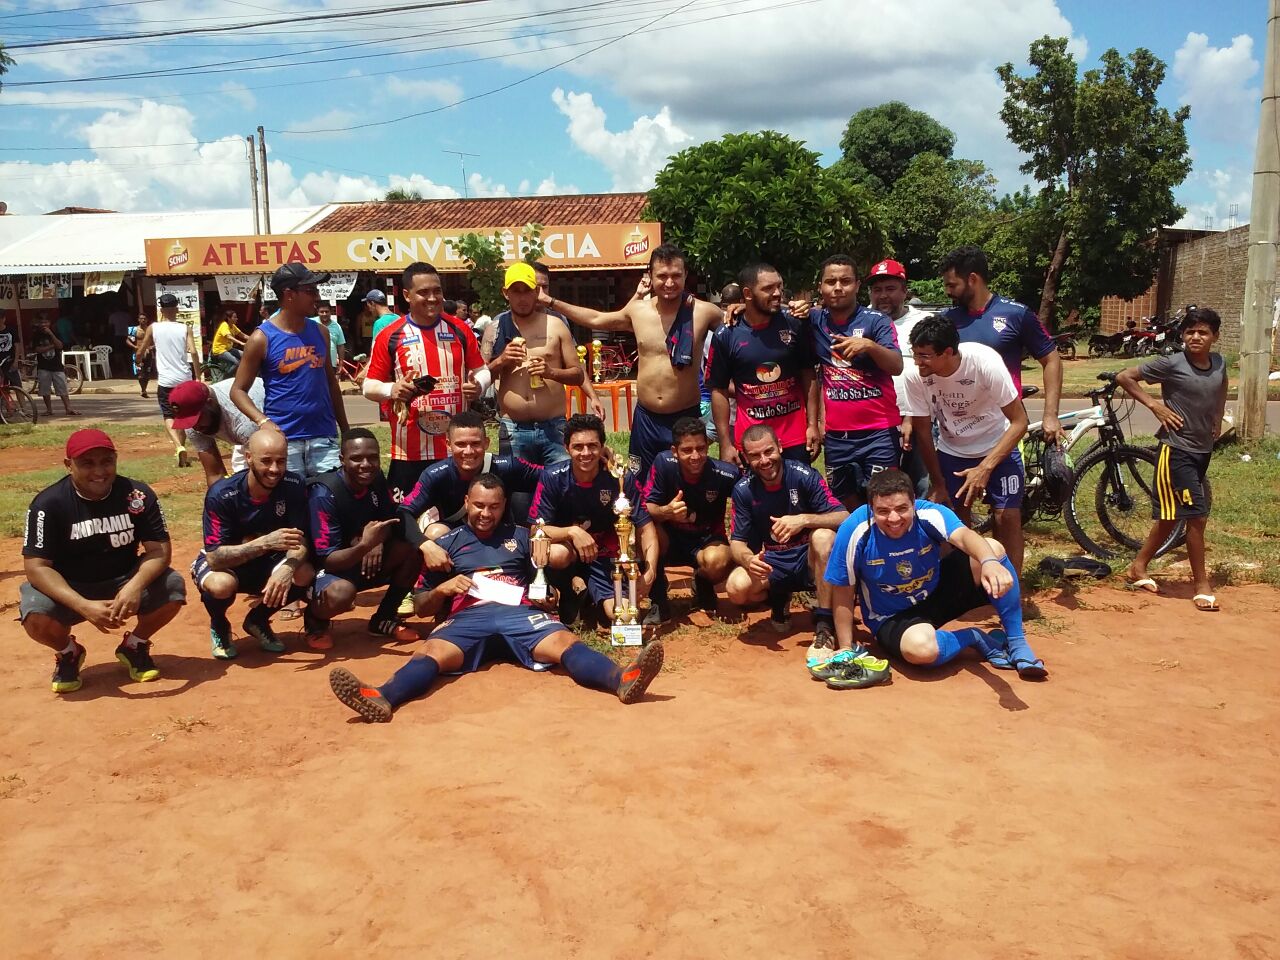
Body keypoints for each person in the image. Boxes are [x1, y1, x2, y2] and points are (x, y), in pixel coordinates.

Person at [328, 473, 665, 722]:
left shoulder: (522, 537)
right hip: (467, 618)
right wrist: (443, 589)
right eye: (478, 505)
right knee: (431, 652)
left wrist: (548, 595)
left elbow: (544, 586)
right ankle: (382, 697)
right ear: (466, 502)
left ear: (504, 506)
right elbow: (419, 606)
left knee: (564, 642)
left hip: (518, 613)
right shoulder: (446, 544)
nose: (486, 513)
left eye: (494, 506)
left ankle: (621, 679)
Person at [824, 468, 1047, 682]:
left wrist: (989, 562)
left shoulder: (929, 513)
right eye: (883, 511)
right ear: (871, 508)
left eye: (902, 508)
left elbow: (964, 536)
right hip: (891, 617)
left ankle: (1017, 643)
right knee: (922, 650)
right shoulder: (855, 529)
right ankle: (974, 637)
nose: (894, 518)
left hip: (936, 593)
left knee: (992, 549)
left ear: (914, 502)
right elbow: (843, 588)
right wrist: (846, 647)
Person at [20, 429, 186, 693]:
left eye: (106, 461)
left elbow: (159, 551)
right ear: (68, 465)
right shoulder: (48, 504)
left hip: (124, 579)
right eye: (87, 463)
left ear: (116, 460)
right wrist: (82, 605)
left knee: (172, 586)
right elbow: (36, 567)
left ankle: (135, 645)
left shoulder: (137, 495)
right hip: (71, 585)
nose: (99, 471)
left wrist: (134, 587)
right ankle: (68, 652)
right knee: (35, 613)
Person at [541, 244, 722, 482]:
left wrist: (740, 307)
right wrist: (551, 302)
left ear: (686, 275)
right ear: (650, 276)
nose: (669, 283)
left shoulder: (706, 312)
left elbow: (741, 328)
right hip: (646, 418)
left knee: (686, 481)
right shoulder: (637, 311)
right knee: (640, 484)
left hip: (685, 415)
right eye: (662, 276)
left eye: (676, 275)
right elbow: (596, 318)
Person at [899, 314, 1030, 573]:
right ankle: (965, 584)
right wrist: (938, 483)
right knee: (955, 519)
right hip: (953, 450)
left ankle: (1011, 585)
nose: (917, 362)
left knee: (1006, 516)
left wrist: (985, 467)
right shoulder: (915, 376)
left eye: (924, 356)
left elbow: (1019, 422)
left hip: (997, 445)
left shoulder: (984, 362)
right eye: (914, 354)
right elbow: (923, 431)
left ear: (948, 352)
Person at [1117, 307, 1228, 611]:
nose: (1196, 337)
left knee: (1169, 517)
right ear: (1183, 335)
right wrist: (1155, 406)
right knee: (1196, 516)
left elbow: (1222, 384)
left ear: (1215, 336)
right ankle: (1201, 585)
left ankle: (1138, 566)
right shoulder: (1172, 363)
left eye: (1203, 332)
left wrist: (1218, 415)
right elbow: (1125, 377)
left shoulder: (1219, 362)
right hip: (1176, 451)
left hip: (1202, 450)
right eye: (1190, 332)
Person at [361, 261, 484, 502]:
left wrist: (479, 384)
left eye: (437, 291)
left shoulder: (460, 329)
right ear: (407, 295)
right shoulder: (390, 334)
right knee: (408, 517)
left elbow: (482, 370)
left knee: (458, 515)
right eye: (423, 292)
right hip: (409, 451)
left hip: (456, 449)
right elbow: (368, 386)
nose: (432, 298)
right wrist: (392, 389)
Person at [191, 429, 316, 660]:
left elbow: (300, 540)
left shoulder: (293, 484)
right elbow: (215, 558)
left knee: (304, 572)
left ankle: (258, 620)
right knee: (220, 585)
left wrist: (287, 568)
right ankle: (219, 624)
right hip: (227, 563)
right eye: (266, 461)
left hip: (267, 562)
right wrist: (265, 543)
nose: (275, 469)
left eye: (281, 461)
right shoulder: (222, 494)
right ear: (248, 457)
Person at [529, 413, 658, 624]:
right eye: (578, 447)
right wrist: (572, 532)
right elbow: (536, 529)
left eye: (592, 446)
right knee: (556, 554)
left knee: (622, 615)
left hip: (605, 554)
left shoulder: (620, 478)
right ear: (566, 447)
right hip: (569, 551)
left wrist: (650, 572)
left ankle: (591, 592)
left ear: (603, 446)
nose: (586, 453)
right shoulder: (552, 476)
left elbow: (646, 527)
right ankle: (568, 591)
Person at [725, 424, 848, 643]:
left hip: (807, 559)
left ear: (780, 447)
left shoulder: (804, 475)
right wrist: (749, 560)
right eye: (755, 456)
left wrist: (803, 520)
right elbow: (737, 543)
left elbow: (844, 517)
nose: (764, 460)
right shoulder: (743, 489)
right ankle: (778, 597)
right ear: (746, 458)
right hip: (773, 561)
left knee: (823, 537)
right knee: (736, 588)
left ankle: (824, 622)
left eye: (768, 451)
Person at [306, 429, 422, 649]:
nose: (366, 465)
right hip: (329, 570)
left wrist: (377, 541)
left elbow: (391, 521)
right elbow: (327, 560)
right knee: (341, 594)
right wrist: (366, 544)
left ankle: (383, 618)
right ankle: (315, 621)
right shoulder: (324, 494)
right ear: (342, 459)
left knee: (412, 550)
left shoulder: (376, 479)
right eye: (357, 458)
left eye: (372, 457)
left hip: (363, 561)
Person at [232, 263, 349, 478]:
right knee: (291, 498)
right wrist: (263, 421)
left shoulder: (321, 332)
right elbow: (237, 391)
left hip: (324, 438)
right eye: (310, 291)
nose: (317, 296)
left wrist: (346, 430)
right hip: (285, 440)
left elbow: (331, 384)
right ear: (289, 294)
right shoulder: (261, 338)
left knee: (328, 496)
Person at [939, 246, 1063, 445]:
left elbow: (1051, 359)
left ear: (972, 279)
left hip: (1005, 429)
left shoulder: (1016, 314)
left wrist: (1050, 414)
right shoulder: (946, 320)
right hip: (959, 432)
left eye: (952, 285)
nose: (947, 291)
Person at [808, 255, 904, 508]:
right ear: (820, 287)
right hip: (837, 436)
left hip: (879, 433)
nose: (838, 287)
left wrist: (869, 346)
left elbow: (896, 365)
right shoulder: (814, 321)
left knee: (885, 501)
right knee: (843, 503)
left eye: (845, 281)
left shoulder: (877, 321)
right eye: (831, 282)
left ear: (857, 285)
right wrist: (738, 307)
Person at [707, 262, 819, 468]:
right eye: (768, 288)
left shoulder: (795, 323)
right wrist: (725, 443)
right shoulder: (727, 334)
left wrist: (813, 424)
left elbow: (808, 374)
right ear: (747, 293)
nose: (777, 293)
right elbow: (719, 390)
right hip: (751, 442)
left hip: (795, 437)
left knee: (798, 488)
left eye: (779, 286)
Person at [398, 410, 542, 554]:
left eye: (475, 444)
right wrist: (424, 544)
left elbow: (549, 478)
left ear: (486, 443)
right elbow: (404, 512)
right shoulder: (435, 475)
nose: (468, 451)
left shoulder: (507, 466)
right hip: (456, 537)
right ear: (448, 444)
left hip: (502, 537)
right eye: (460, 444)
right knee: (435, 533)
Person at [486, 262, 585, 465]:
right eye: (516, 291)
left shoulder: (556, 325)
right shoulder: (496, 328)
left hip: (554, 428)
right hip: (513, 428)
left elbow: (578, 375)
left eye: (527, 291)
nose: (522, 298)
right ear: (506, 293)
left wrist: (551, 372)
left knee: (560, 482)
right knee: (517, 486)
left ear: (536, 292)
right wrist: (501, 361)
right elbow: (479, 380)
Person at [642, 416, 738, 619]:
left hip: (706, 540)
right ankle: (658, 599)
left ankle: (703, 583)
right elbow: (646, 507)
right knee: (646, 531)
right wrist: (666, 511)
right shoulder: (663, 463)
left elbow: (750, 498)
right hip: (669, 539)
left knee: (718, 561)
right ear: (674, 451)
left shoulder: (725, 473)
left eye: (700, 448)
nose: (695, 456)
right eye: (687, 450)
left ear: (707, 447)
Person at [866, 259, 931, 491]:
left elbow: (932, 373)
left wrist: (911, 415)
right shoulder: (862, 322)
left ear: (904, 291)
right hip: (876, 422)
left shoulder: (924, 323)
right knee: (880, 490)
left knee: (921, 486)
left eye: (890, 288)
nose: (883, 295)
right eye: (877, 290)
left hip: (919, 418)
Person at [530, 261, 605, 421]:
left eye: (545, 287)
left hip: (554, 418)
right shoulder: (505, 322)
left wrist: (593, 397)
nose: (541, 294)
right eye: (535, 287)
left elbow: (576, 366)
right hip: (515, 424)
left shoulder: (558, 320)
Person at [166, 378, 264, 487]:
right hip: (245, 437)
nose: (196, 427)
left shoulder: (242, 419)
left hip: (271, 426)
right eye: (189, 422)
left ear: (210, 403)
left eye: (197, 419)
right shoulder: (193, 426)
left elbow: (265, 473)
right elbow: (215, 475)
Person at [135, 293, 197, 466]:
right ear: (177, 309)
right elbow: (193, 352)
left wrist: (138, 360)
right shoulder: (185, 328)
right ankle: (181, 448)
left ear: (161, 310)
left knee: (168, 415)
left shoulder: (153, 328)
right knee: (182, 415)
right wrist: (199, 376)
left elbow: (141, 350)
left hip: (166, 381)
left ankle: (178, 446)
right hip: (184, 379)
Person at [29, 315, 79, 417]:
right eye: (42, 322)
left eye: (46, 322)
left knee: (62, 388)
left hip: (57, 366)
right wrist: (51, 346)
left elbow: (60, 345)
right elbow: (37, 349)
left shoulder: (55, 333)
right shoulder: (36, 336)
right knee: (45, 390)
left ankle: (68, 408)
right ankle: (49, 409)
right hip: (43, 366)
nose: (44, 325)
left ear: (50, 323)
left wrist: (51, 334)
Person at [126, 312, 155, 398]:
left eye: (144, 319)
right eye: (141, 318)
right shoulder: (134, 330)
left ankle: (144, 390)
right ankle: (143, 390)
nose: (143, 320)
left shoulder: (150, 330)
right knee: (140, 374)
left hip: (148, 354)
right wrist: (134, 347)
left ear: (147, 320)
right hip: (138, 354)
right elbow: (127, 340)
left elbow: (156, 341)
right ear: (138, 320)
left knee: (147, 374)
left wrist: (151, 347)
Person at [0, 311, 19, 387]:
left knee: (17, 385)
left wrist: (16, 361)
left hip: (9, 362)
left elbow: (17, 346)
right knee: (3, 387)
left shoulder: (11, 330)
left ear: (3, 319)